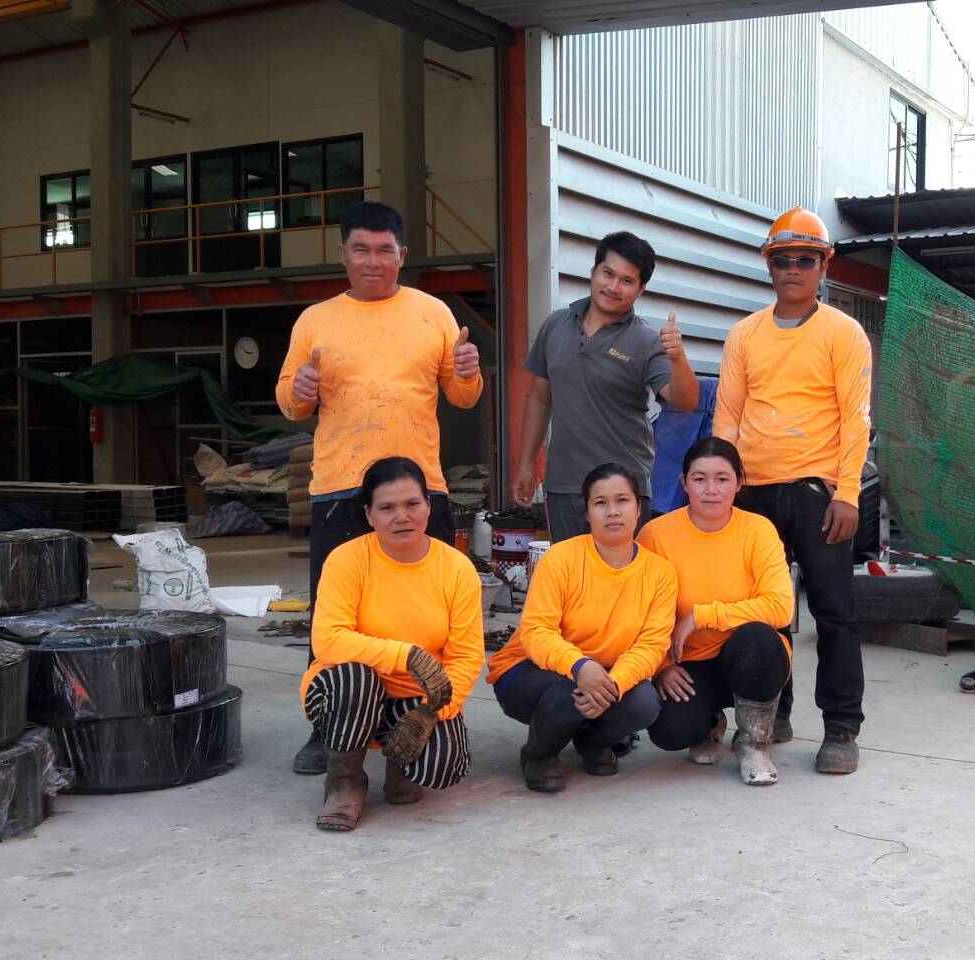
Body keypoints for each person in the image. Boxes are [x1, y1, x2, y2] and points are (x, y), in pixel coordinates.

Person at [277, 201, 482, 775]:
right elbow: (290, 403)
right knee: (334, 613)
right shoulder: (315, 320)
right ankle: (330, 729)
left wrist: (468, 371)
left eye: (384, 250)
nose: (373, 260)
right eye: (361, 249)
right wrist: (302, 389)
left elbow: (462, 396)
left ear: (402, 254)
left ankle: (430, 713)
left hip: (420, 486)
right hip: (340, 486)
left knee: (428, 605)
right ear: (342, 253)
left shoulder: (433, 313)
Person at [714, 206, 872, 776]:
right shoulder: (744, 335)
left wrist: (848, 493)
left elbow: (855, 418)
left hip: (817, 495)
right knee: (764, 613)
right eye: (783, 259)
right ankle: (771, 711)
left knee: (834, 615)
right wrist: (721, 488)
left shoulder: (843, 333)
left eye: (806, 259)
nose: (794, 269)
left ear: (824, 265)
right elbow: (728, 417)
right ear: (769, 266)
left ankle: (841, 729)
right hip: (753, 496)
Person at [301, 457, 484, 832]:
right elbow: (328, 640)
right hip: (346, 692)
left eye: (412, 504)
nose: (402, 517)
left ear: (428, 506)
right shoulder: (347, 561)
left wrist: (434, 712)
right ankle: (345, 782)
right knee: (354, 678)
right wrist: (406, 655)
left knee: (443, 765)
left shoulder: (456, 568)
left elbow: (466, 657)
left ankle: (401, 764)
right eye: (387, 508)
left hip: (418, 698)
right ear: (369, 515)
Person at [486, 463, 677, 793]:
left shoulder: (660, 573)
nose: (612, 511)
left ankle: (592, 741)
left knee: (644, 702)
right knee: (569, 689)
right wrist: (580, 667)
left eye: (622, 500)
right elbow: (536, 632)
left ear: (638, 508)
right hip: (530, 673)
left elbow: (652, 645)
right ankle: (539, 754)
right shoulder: (561, 559)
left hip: (605, 676)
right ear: (588, 513)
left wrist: (614, 684)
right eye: (600, 502)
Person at [511, 231, 700, 541]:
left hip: (622, 492)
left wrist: (678, 358)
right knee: (570, 572)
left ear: (641, 289)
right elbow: (540, 398)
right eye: (608, 273)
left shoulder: (646, 341)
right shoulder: (556, 325)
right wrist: (526, 463)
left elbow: (685, 401)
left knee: (623, 573)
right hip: (564, 487)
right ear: (593, 271)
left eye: (626, 281)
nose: (613, 287)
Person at [639, 437, 793, 785]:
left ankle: (754, 744)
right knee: (669, 731)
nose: (711, 490)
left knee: (760, 639)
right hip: (690, 660)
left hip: (749, 655)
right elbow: (639, 612)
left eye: (722, 479)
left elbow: (781, 607)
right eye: (700, 479)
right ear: (684, 483)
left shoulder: (757, 530)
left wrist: (701, 615)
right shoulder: (656, 535)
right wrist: (661, 666)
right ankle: (710, 725)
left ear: (739, 483)